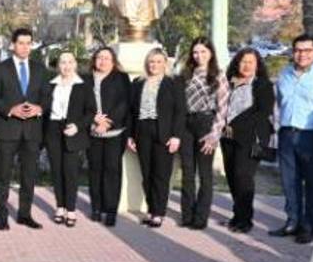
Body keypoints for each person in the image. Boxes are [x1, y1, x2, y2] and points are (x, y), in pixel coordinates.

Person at [272, 34, 313, 244]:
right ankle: (292, 221)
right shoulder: (284, 74)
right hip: (287, 132)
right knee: (289, 181)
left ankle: (309, 225)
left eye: (307, 50)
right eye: (298, 50)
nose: (302, 55)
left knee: (312, 182)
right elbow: (281, 103)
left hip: (311, 134)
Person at [0, 27, 48, 230]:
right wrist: (10, 110)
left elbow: (47, 97)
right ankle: (1, 215)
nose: (24, 47)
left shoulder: (40, 69)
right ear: (13, 45)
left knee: (29, 175)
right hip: (8, 129)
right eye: (20, 43)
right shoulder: (1, 68)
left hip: (32, 131)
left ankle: (24, 214)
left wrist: (39, 108)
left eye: (28, 43)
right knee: (3, 175)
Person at [129, 48, 186, 228]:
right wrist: (130, 135)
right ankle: (151, 209)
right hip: (142, 131)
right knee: (147, 174)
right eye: (151, 61)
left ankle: (159, 213)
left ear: (165, 64)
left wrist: (176, 136)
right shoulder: (138, 83)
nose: (154, 65)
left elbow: (180, 112)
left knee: (161, 175)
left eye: (158, 61)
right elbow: (131, 112)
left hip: (164, 132)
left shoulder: (173, 83)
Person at [221, 47, 275, 234]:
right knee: (231, 177)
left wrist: (236, 125)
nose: (246, 65)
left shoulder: (262, 85)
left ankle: (245, 220)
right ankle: (237, 215)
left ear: (257, 65)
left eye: (251, 62)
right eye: (243, 61)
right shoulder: (229, 83)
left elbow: (263, 111)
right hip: (226, 138)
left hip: (249, 139)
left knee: (243, 177)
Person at [178, 37, 228, 230]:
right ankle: (187, 215)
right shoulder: (185, 74)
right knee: (188, 172)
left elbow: (223, 108)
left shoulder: (218, 75)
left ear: (211, 53)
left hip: (206, 123)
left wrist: (214, 134)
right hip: (186, 124)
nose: (199, 56)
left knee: (205, 173)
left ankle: (201, 217)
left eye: (203, 52)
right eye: (195, 52)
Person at [42, 51, 96, 228]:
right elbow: (44, 110)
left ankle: (71, 209)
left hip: (73, 130)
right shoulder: (51, 84)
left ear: (75, 64)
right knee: (56, 171)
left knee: (70, 172)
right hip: (53, 129)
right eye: (63, 62)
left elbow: (91, 111)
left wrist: (78, 126)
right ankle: (60, 207)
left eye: (70, 62)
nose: (66, 66)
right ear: (58, 65)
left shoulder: (84, 85)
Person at [86, 47, 131, 227]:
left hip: (114, 133)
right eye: (99, 58)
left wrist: (107, 123)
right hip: (92, 132)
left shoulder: (121, 78)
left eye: (106, 58)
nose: (102, 61)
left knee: (112, 171)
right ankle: (96, 208)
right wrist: (94, 120)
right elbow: (80, 102)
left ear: (113, 61)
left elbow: (124, 103)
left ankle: (110, 210)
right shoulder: (86, 78)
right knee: (95, 170)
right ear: (94, 60)